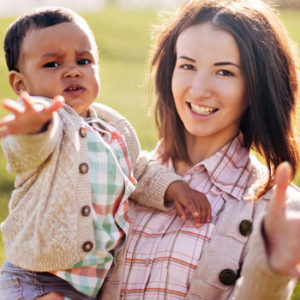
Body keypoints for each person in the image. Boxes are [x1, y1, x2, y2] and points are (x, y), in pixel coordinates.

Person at [0, 7, 211, 300]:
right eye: (52, 64)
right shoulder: (48, 123)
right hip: (37, 277)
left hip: (91, 286)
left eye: (84, 60)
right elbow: (28, 150)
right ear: (21, 85)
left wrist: (173, 187)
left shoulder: (112, 125)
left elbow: (139, 169)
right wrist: (33, 126)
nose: (73, 70)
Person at [100, 0, 300, 299]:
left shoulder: (274, 208)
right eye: (188, 66)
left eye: (225, 72)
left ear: (258, 86)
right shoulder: (119, 171)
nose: (198, 89)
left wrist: (269, 274)